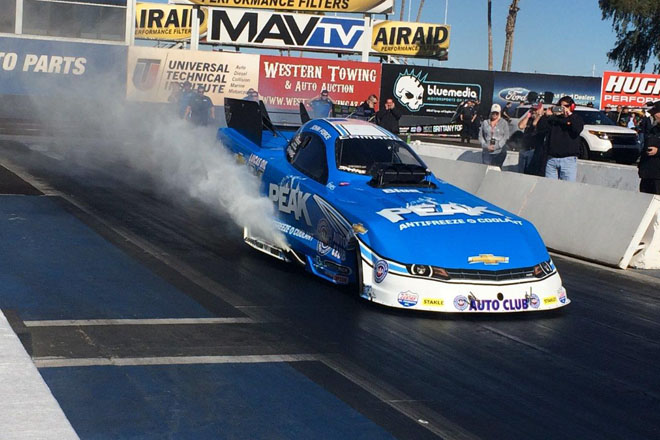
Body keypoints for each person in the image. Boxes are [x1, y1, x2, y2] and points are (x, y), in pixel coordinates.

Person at [544, 96, 584, 181]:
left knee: (567, 186)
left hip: (568, 160)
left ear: (571, 106)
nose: (563, 108)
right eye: (560, 106)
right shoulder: (553, 119)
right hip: (552, 159)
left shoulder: (576, 118)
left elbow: (577, 129)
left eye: (566, 106)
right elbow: (541, 128)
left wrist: (569, 114)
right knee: (549, 186)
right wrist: (546, 115)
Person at [517, 102, 549, 175]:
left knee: (530, 172)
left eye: (536, 109)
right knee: (521, 172)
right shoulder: (529, 119)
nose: (534, 111)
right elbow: (521, 126)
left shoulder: (543, 119)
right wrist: (527, 116)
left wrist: (540, 114)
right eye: (533, 109)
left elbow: (535, 124)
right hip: (524, 148)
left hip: (534, 150)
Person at [638, 102, 660, 194]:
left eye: (656, 113)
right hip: (647, 173)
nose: (654, 115)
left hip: (658, 176)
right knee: (644, 198)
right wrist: (641, 166)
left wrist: (658, 151)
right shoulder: (653, 129)